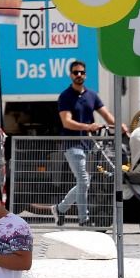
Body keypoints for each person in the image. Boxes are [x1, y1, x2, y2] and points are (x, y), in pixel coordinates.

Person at [52, 60, 118, 227]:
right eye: (75, 72)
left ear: (85, 75)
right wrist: (88, 126)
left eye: (81, 72)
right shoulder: (65, 96)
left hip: (88, 145)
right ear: (70, 75)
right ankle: (84, 219)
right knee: (83, 179)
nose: (79, 75)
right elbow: (66, 122)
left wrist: (120, 127)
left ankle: (60, 209)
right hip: (71, 144)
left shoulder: (92, 96)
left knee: (84, 181)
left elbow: (107, 115)